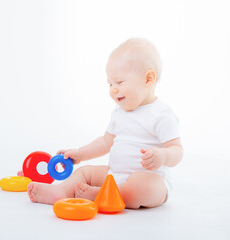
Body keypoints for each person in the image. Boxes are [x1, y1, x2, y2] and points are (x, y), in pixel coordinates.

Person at [27, 38, 183, 209]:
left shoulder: (161, 114)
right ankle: (61, 191)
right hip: (114, 174)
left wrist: (163, 156)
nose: (113, 89)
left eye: (119, 82)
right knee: (85, 173)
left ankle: (103, 195)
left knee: (142, 186)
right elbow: (105, 142)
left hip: (150, 180)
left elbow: (177, 150)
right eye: (110, 84)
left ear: (148, 79)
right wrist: (80, 154)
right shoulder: (119, 113)